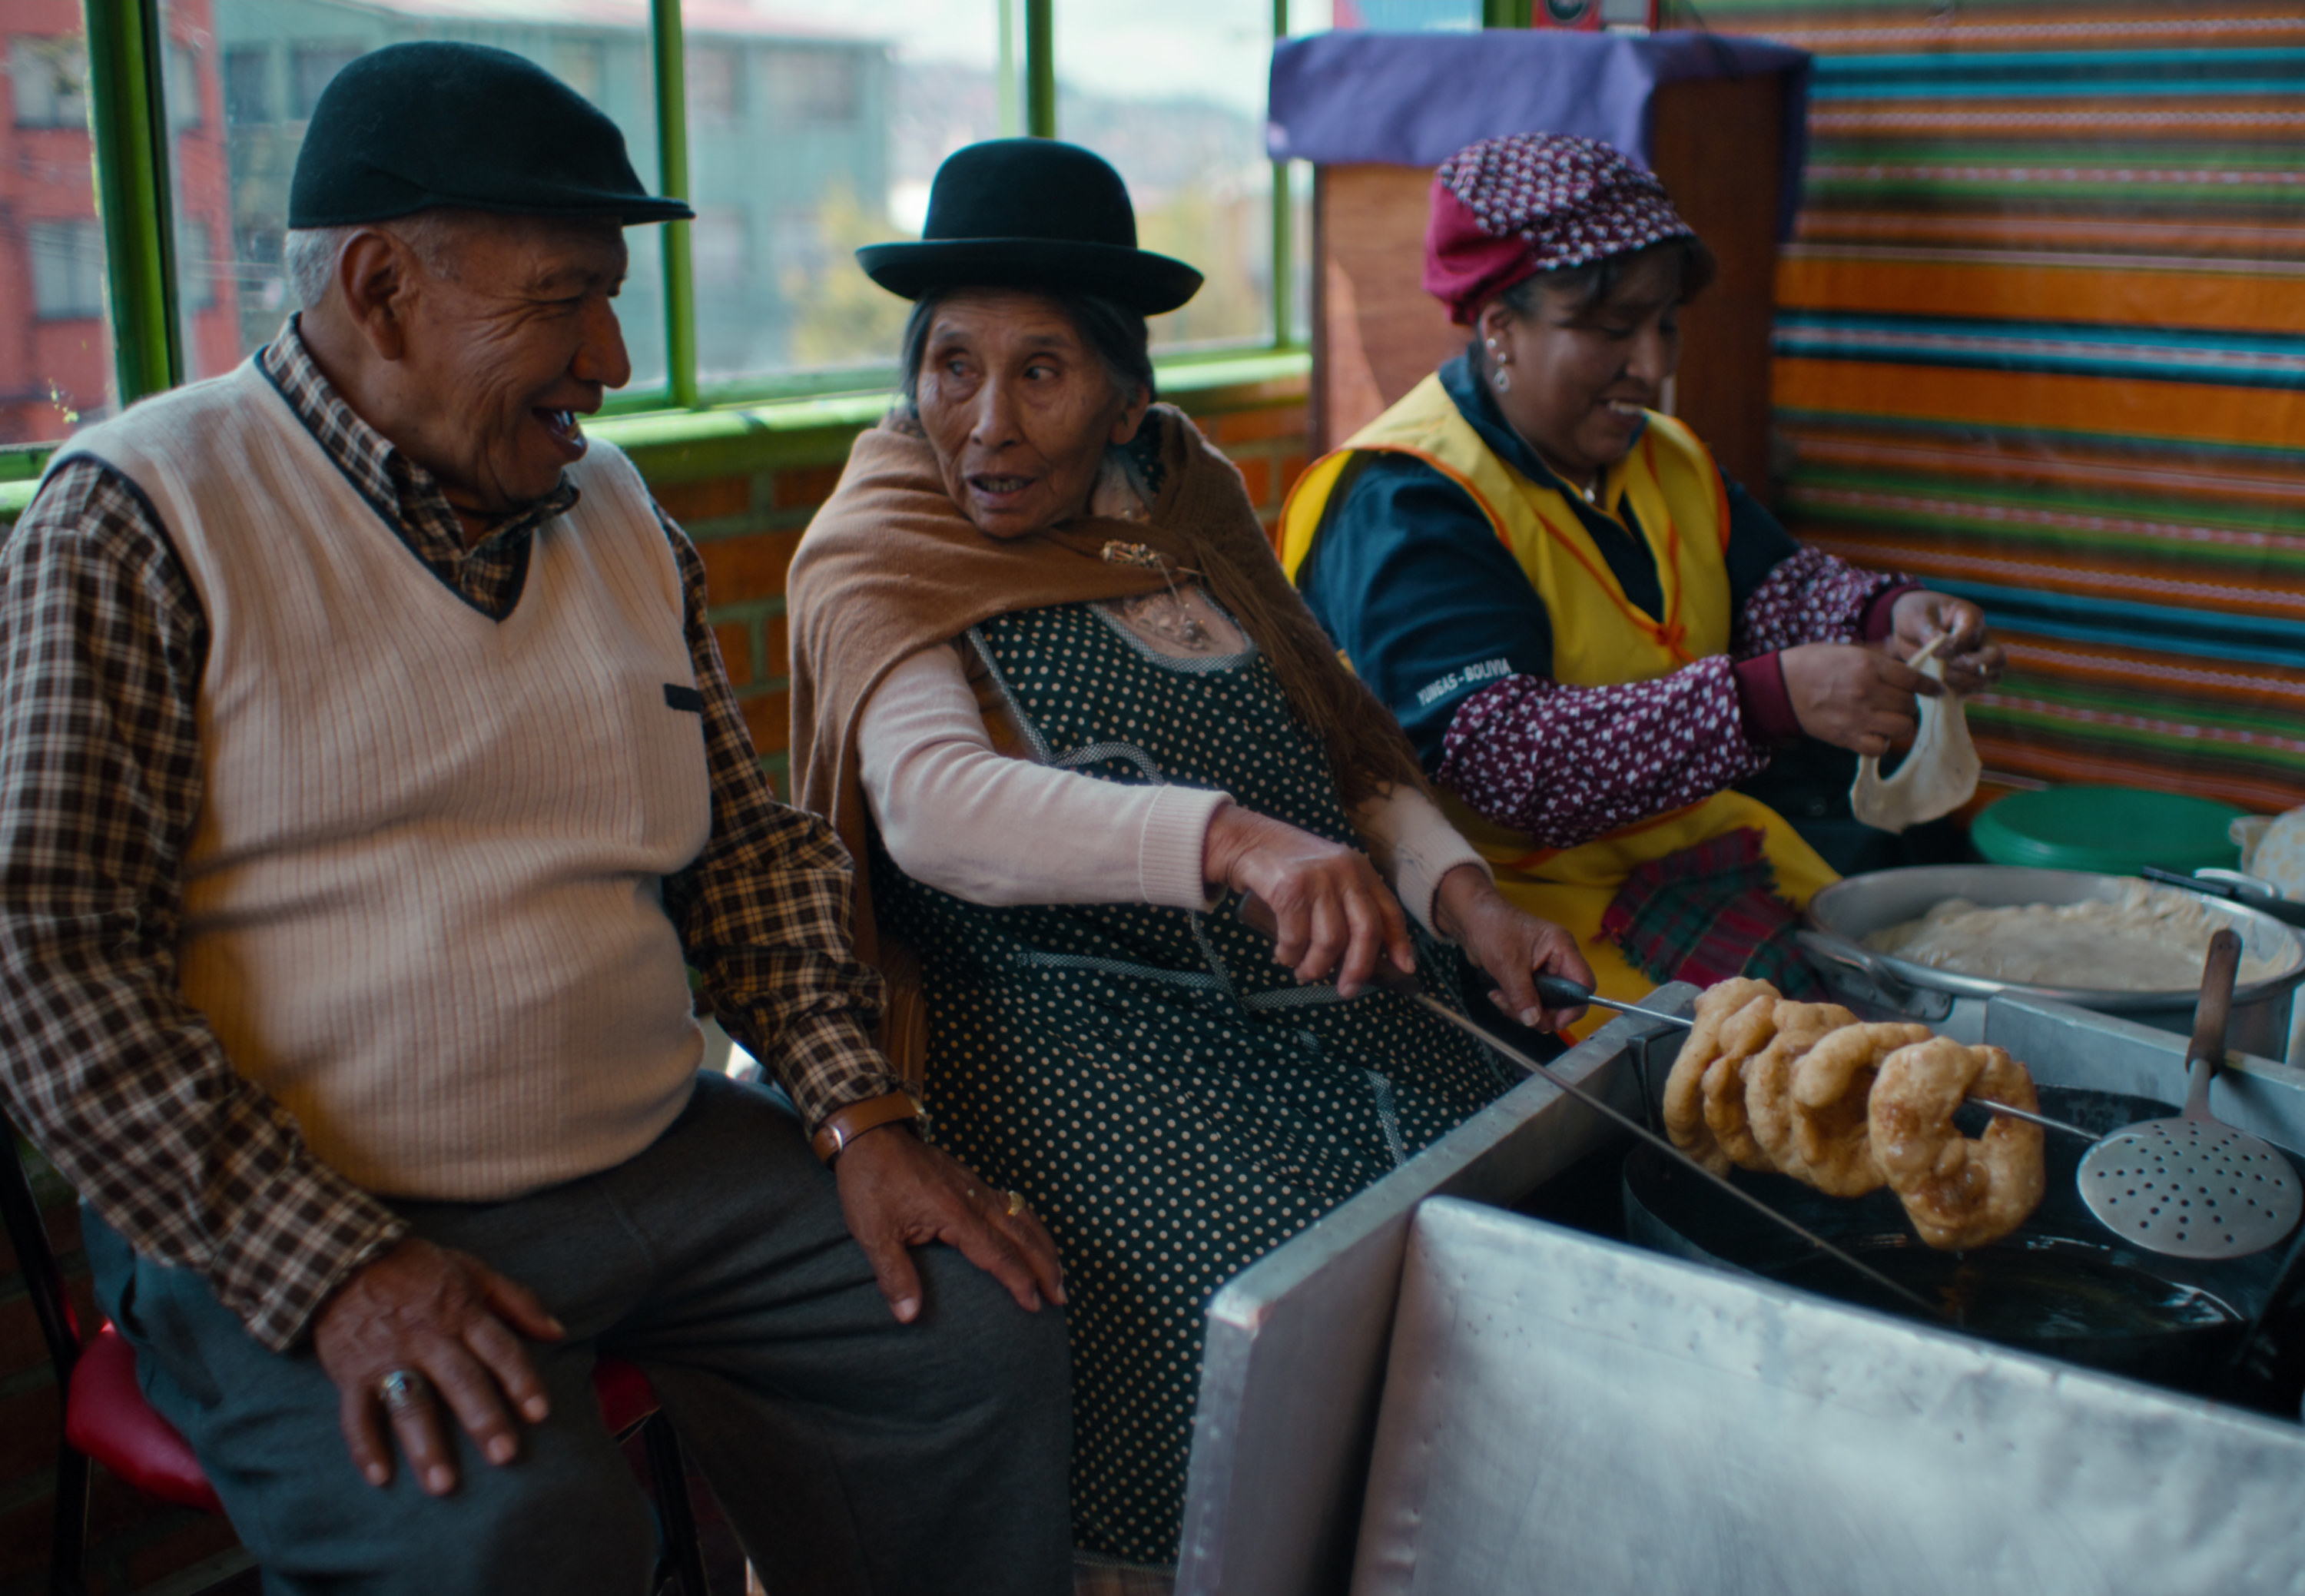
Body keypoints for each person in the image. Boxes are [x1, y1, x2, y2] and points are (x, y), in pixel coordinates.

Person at [0, 45, 1070, 1596]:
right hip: (301, 1201)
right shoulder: (141, 515)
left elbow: (746, 858)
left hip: (651, 1146)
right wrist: (342, 1268)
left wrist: (858, 1113)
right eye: (565, 298)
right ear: (380, 289)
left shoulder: (616, 508)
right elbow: (49, 960)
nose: (616, 359)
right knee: (522, 1530)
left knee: (974, 1328)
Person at [787, 138, 1594, 1588]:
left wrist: (1465, 895)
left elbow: (1344, 746)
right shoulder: (883, 536)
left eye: (1043, 372)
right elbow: (928, 803)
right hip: (1063, 1034)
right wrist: (1225, 840)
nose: (987, 420)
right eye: (952, 364)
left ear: (1125, 394)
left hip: (1313, 1009)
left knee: (1531, 1202)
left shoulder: (1186, 503)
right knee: (1275, 1284)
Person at [1284, 132, 2006, 1017]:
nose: (1655, 368)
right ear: (1499, 325)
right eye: (1611, 328)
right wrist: (1762, 700)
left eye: (1665, 324)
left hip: (1692, 855)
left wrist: (1886, 618)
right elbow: (1501, 760)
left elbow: (1773, 589)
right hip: (1509, 920)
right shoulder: (1407, 499)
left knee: (1910, 1005)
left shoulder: (1660, 458)